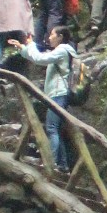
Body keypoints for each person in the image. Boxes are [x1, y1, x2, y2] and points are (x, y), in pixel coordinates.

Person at [22, 26, 81, 173]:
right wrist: (24, 48)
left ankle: (51, 163)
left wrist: (30, 45)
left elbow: (41, 59)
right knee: (56, 129)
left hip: (58, 94)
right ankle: (62, 165)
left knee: (51, 128)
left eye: (52, 35)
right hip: (59, 94)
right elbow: (38, 58)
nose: (49, 37)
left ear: (60, 36)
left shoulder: (62, 51)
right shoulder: (64, 51)